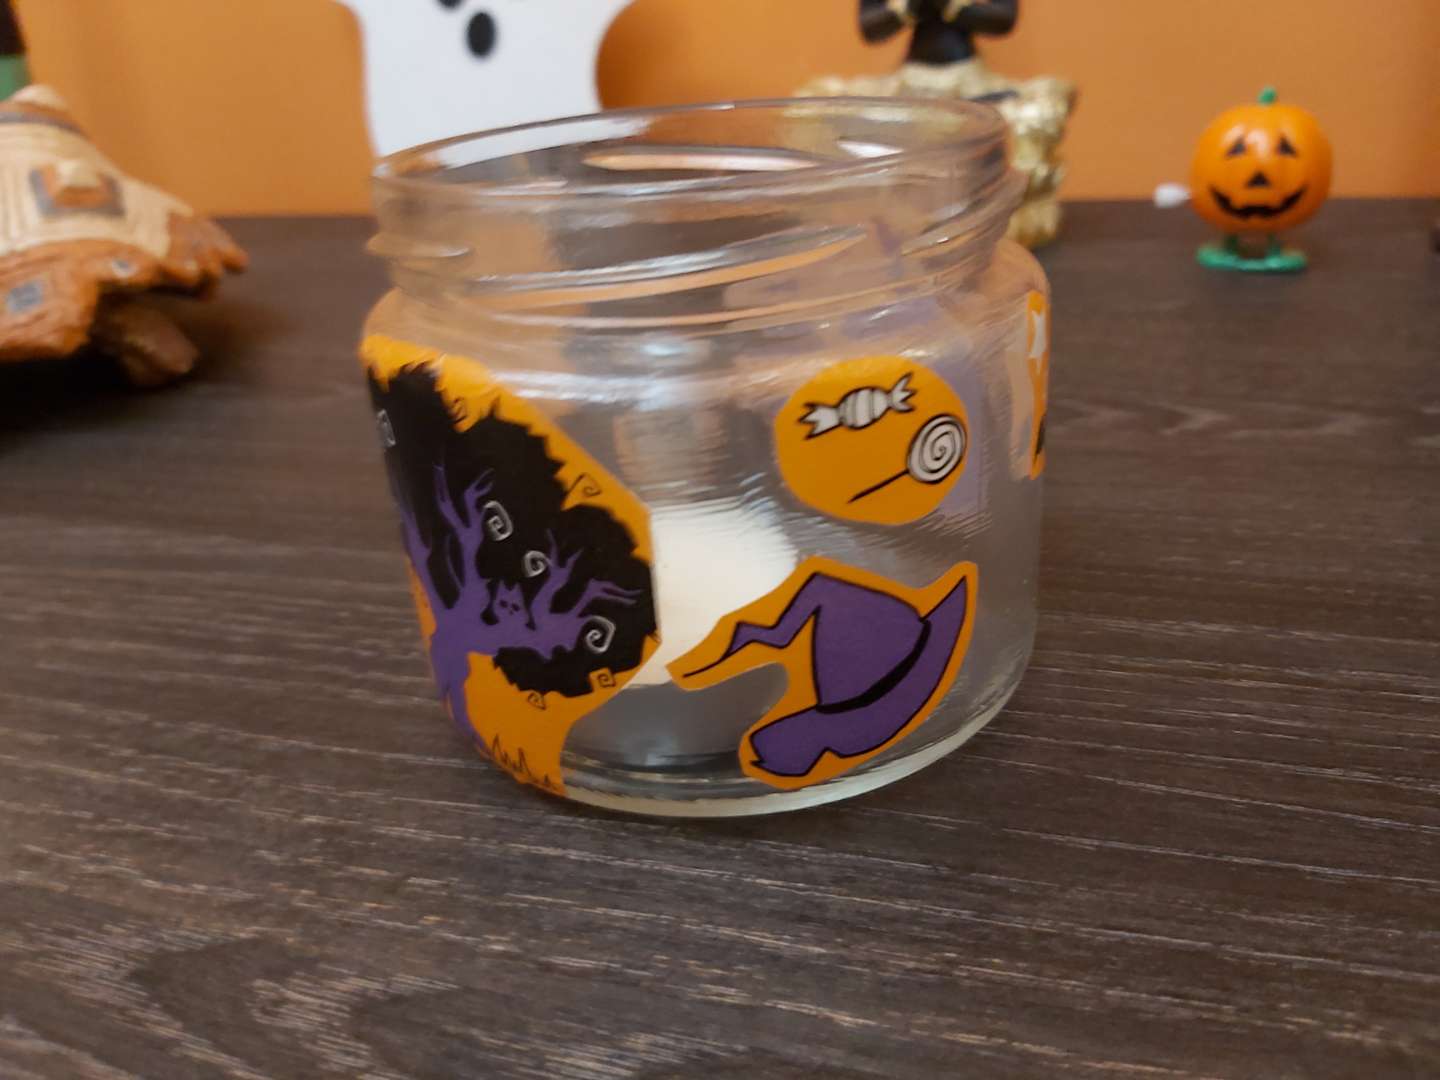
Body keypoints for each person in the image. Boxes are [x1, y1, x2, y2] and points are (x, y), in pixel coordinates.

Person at [860, 0, 1019, 67]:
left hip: (965, 71)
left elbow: (1004, 19)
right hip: (915, 72)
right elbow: (869, 28)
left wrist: (952, 5)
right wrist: (909, 7)